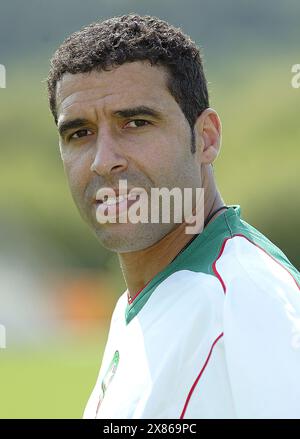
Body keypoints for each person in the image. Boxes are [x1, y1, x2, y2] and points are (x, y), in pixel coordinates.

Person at [47, 14, 300, 419]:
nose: (102, 161)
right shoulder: (139, 300)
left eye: (136, 123)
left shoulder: (246, 298)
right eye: (80, 133)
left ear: (206, 138)